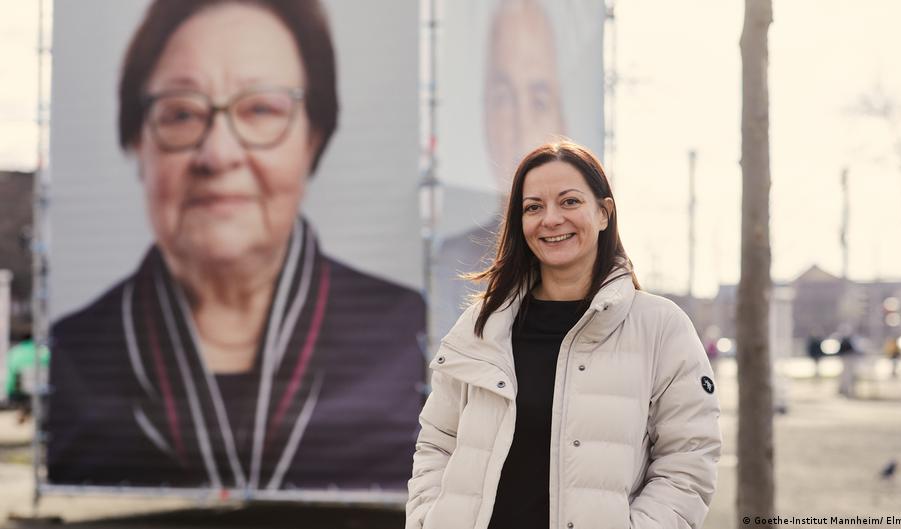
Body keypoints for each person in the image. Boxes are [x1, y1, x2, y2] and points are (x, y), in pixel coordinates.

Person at [48, 0, 425, 490]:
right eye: (181, 113)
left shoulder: (406, 337)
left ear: (313, 140)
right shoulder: (74, 353)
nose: (218, 154)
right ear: (137, 144)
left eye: (261, 109)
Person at [407, 142, 721, 529]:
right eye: (533, 207)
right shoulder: (481, 326)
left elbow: (688, 459)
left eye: (569, 202)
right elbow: (437, 442)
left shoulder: (660, 327)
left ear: (604, 213)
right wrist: (427, 517)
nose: (551, 219)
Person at [432, 0, 567, 347]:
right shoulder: (451, 269)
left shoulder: (603, 273)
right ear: (484, 115)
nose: (520, 127)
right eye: (504, 98)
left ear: (563, 119)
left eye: (538, 100)